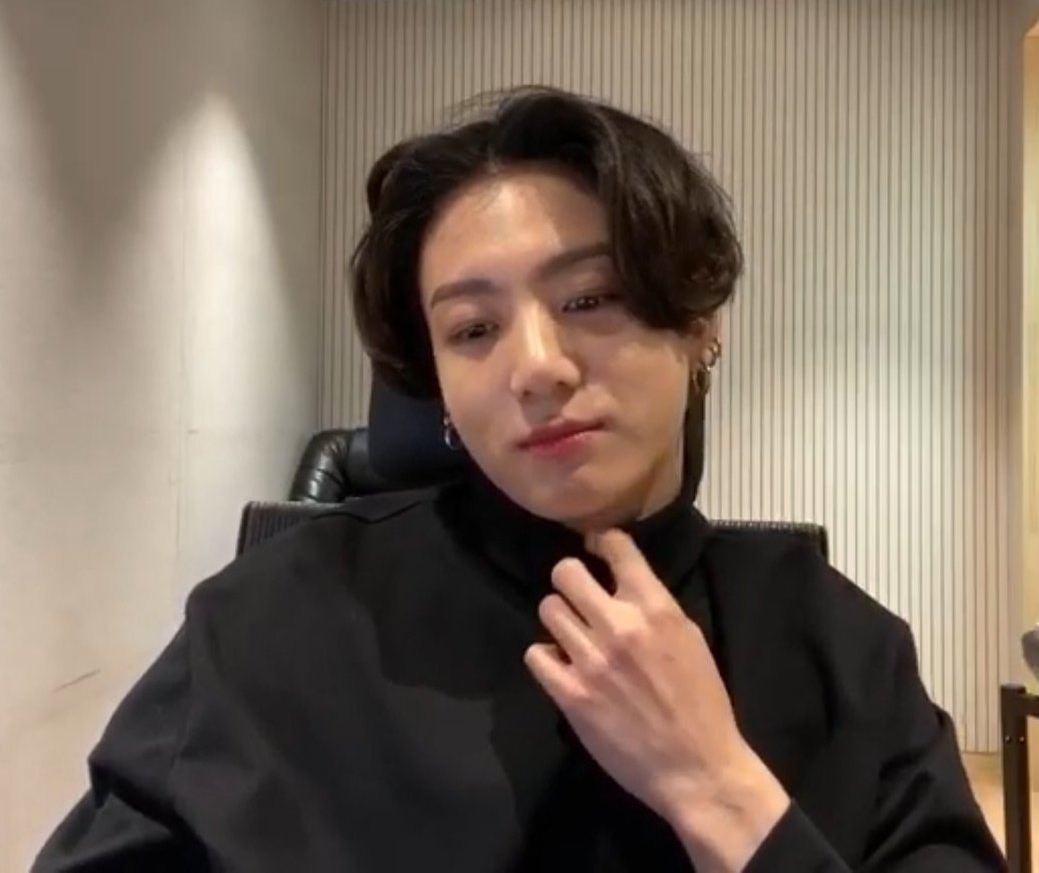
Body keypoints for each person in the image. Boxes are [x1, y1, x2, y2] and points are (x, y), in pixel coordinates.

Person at [33, 87, 1005, 872]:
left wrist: (717, 790)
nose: (535, 366)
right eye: (472, 329)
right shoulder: (273, 620)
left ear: (699, 324)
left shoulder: (839, 647)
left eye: (590, 297)